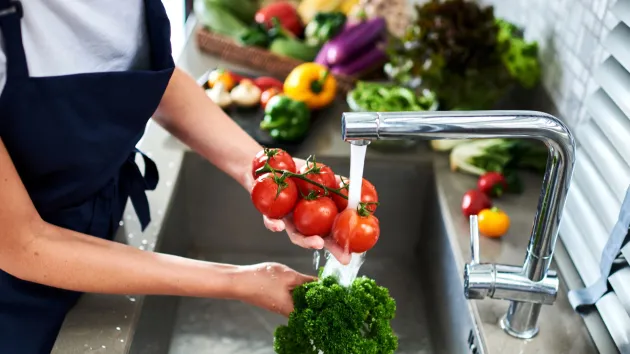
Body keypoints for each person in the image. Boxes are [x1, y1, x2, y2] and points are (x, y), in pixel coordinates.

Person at [0, 1, 351, 353]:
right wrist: (238, 281)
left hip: (100, 222)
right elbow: (22, 242)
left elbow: (148, 81)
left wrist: (267, 170)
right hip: (14, 299)